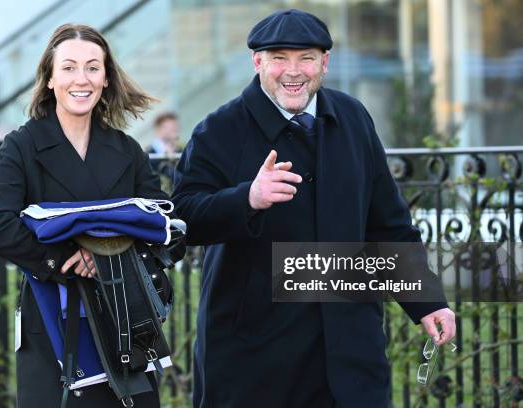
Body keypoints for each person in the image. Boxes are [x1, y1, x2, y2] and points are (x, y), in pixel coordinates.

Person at [172, 9, 456, 407]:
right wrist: (247, 198)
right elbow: (183, 217)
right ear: (258, 63)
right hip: (254, 359)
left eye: (306, 57)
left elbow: (388, 225)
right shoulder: (218, 131)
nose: (294, 71)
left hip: (351, 351)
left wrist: (427, 301)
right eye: (279, 58)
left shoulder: (353, 119)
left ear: (325, 62)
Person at [0, 24, 166, 407]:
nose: (81, 79)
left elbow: (163, 225)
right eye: (68, 68)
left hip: (125, 316)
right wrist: (69, 258)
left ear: (106, 78)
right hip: (52, 319)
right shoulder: (22, 146)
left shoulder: (127, 149)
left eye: (92, 67)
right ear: (49, 78)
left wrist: (108, 254)